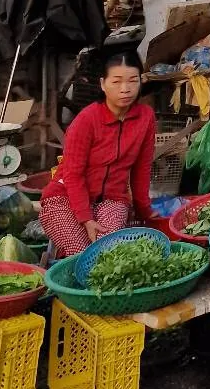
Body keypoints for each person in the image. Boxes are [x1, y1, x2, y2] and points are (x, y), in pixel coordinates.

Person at [40, 48, 157, 256]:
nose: (125, 89)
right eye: (117, 81)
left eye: (132, 80)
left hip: (112, 200)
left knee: (107, 255)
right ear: (103, 84)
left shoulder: (146, 117)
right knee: (83, 254)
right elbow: (73, 175)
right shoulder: (86, 120)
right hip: (65, 198)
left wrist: (145, 212)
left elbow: (141, 170)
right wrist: (86, 219)